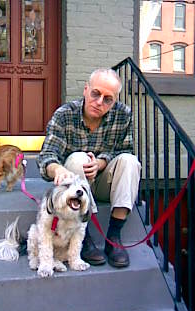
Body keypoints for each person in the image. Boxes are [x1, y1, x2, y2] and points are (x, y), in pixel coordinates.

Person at [36, 68, 141, 268]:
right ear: (86, 90)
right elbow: (47, 156)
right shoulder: (65, 114)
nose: (100, 102)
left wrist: (101, 163)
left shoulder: (123, 115)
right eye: (95, 93)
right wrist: (57, 169)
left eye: (108, 99)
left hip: (103, 184)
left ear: (115, 100)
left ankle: (114, 237)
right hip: (72, 188)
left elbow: (124, 149)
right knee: (77, 159)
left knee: (130, 161)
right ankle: (85, 236)